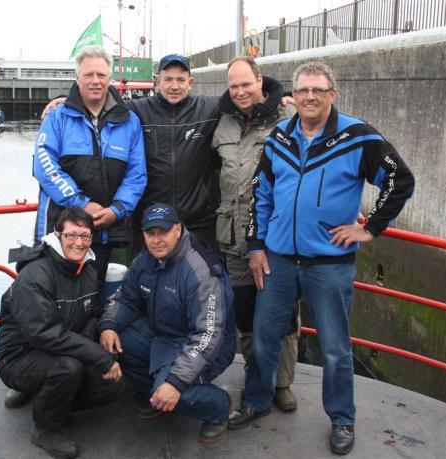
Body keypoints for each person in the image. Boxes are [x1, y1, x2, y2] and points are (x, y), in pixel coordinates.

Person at [229, 61, 415, 456]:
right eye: (303, 90)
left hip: (329, 265)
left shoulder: (357, 136)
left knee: (334, 348)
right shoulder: (280, 137)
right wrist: (256, 246)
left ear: (333, 93)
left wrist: (371, 227)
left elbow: (400, 179)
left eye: (319, 89)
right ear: (292, 97)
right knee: (264, 338)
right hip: (277, 261)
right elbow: (260, 195)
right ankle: (258, 400)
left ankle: (342, 419)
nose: (310, 96)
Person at [43, 53, 221, 250]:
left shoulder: (209, 109)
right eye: (168, 79)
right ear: (157, 81)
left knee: (203, 278)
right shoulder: (135, 111)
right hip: (151, 222)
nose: (174, 86)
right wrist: (64, 100)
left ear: (191, 82)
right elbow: (98, 103)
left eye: (180, 80)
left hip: (197, 222)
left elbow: (240, 95)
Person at [99, 203, 236, 443]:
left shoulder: (200, 271)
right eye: (150, 233)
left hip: (208, 346)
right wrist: (109, 325)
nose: (156, 240)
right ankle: (157, 396)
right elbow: (126, 298)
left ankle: (218, 407)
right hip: (164, 333)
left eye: (163, 232)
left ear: (178, 229)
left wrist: (176, 382)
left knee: (177, 390)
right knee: (113, 345)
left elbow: (208, 334)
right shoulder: (145, 258)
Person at [0, 208, 123, 458]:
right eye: (72, 235)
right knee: (68, 368)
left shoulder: (87, 270)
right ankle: (45, 428)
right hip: (19, 358)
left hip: (61, 350)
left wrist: (99, 338)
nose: (79, 243)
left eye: (85, 236)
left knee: (109, 388)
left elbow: (92, 314)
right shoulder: (35, 275)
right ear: (57, 235)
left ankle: (45, 396)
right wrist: (97, 356)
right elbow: (43, 333)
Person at [211, 56, 300, 412]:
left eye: (246, 83)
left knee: (285, 317)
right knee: (246, 315)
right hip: (234, 238)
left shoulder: (290, 118)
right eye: (233, 86)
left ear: (260, 80)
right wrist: (62, 101)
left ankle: (281, 383)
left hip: (279, 238)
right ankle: (256, 377)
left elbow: (329, 157)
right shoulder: (222, 121)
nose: (240, 92)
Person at [33, 45, 147, 283]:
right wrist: (81, 204)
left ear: (110, 78)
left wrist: (117, 210)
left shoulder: (130, 122)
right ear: (77, 78)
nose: (95, 81)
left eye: (101, 75)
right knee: (52, 300)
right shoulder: (56, 117)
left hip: (103, 232)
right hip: (60, 232)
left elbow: (137, 174)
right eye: (88, 75)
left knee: (91, 303)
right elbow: (44, 166)